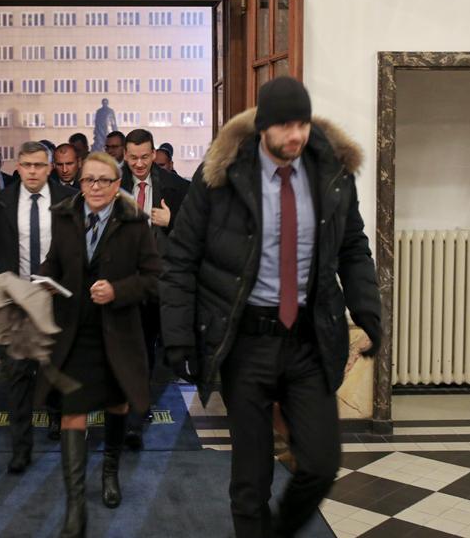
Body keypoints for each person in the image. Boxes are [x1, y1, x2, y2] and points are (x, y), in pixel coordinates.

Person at [160, 77, 382, 538]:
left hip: (308, 341)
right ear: (263, 126)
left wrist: (368, 313)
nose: (295, 135)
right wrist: (178, 337)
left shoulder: (332, 173)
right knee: (251, 477)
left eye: (302, 123)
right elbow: (180, 258)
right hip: (245, 343)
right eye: (284, 125)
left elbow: (353, 248)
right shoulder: (220, 176)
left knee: (321, 464)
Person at [34, 152, 161, 538]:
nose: (95, 187)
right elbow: (54, 261)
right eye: (89, 179)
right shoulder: (64, 216)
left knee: (116, 405)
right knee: (72, 412)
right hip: (74, 333)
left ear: (117, 183)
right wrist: (41, 280)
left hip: (118, 333)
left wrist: (118, 290)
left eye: (104, 180)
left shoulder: (135, 222)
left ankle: (110, 473)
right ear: (80, 181)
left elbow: (153, 278)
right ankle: (75, 505)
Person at [0, 141, 77, 473]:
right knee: (17, 375)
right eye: (27, 165)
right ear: (18, 166)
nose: (32, 171)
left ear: (49, 168)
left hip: (54, 298)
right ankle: (21, 447)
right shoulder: (0, 201)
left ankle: (57, 420)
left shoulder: (68, 199)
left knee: (56, 365)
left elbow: (78, 251)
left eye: (39, 165)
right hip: (16, 300)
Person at [119, 129, 189, 448]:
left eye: (145, 157)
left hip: (160, 283)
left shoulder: (176, 187)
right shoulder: (112, 183)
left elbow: (195, 235)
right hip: (123, 280)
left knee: (150, 348)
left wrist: (171, 222)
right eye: (133, 157)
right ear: (125, 155)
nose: (139, 164)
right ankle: (128, 409)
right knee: (126, 349)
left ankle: (137, 412)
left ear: (153, 153)